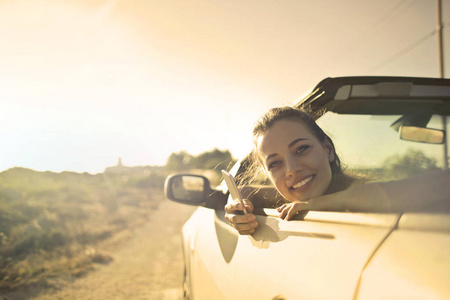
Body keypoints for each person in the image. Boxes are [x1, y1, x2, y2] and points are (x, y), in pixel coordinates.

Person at [225, 106, 450, 235]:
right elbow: (246, 190)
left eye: (301, 149)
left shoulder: (364, 192)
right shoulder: (287, 203)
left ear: (328, 149)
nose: (292, 170)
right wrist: (237, 207)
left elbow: (441, 185)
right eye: (275, 164)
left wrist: (319, 204)